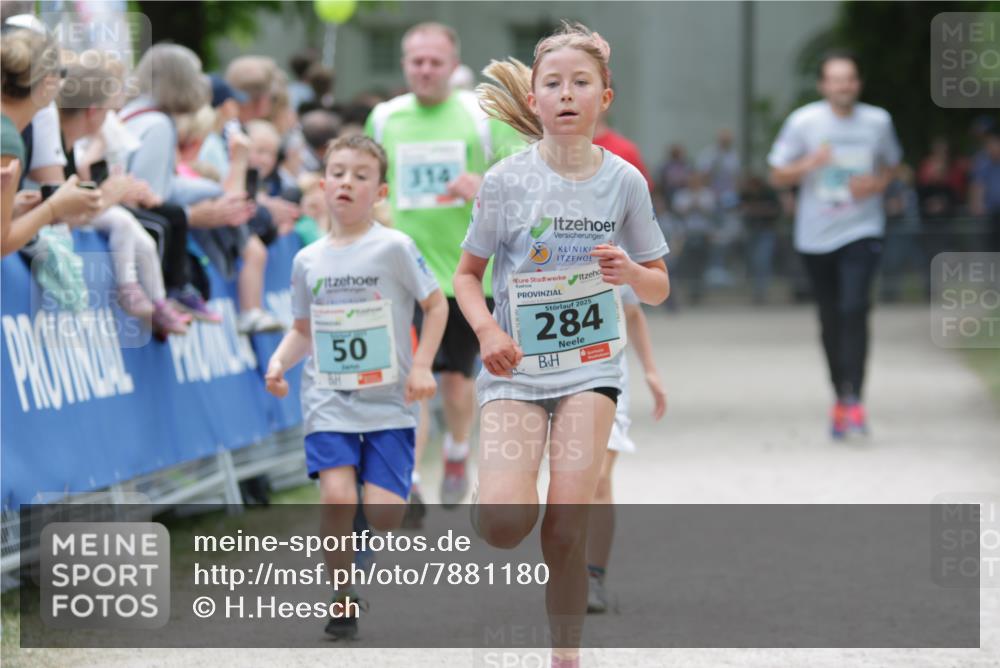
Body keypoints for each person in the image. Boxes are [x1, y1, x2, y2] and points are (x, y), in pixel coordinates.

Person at [456, 22, 669, 668]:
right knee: (504, 525)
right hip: (516, 369)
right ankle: (490, 495)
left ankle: (565, 655)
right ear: (535, 99)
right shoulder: (504, 181)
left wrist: (630, 274)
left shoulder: (625, 181)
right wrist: (488, 329)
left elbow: (659, 285)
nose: (567, 93)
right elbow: (466, 277)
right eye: (553, 83)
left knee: (567, 523)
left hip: (590, 368)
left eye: (581, 82)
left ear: (606, 97)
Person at [264, 134, 447, 640]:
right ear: (322, 185)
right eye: (338, 172)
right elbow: (302, 329)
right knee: (336, 498)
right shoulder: (308, 260)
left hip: (390, 399)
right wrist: (279, 362)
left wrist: (422, 366)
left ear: (380, 192)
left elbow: (436, 306)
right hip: (329, 397)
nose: (347, 182)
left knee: (385, 513)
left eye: (361, 176)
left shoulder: (394, 247)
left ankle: (363, 530)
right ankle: (342, 597)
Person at [365, 21, 524, 509]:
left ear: (453, 66)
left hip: (465, 277)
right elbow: (369, 179)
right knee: (409, 383)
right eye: (417, 61)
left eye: (436, 62)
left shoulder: (481, 115)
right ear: (404, 65)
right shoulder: (385, 118)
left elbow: (523, 175)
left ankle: (456, 452)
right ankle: (408, 479)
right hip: (402, 276)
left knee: (456, 385)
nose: (426, 70)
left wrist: (486, 184)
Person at [768, 50, 901, 439]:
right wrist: (809, 164)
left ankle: (855, 398)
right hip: (816, 236)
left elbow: (893, 165)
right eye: (836, 79)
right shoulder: (804, 122)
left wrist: (877, 184)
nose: (844, 86)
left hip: (862, 229)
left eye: (850, 78)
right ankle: (840, 396)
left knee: (855, 309)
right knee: (830, 318)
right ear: (823, 85)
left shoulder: (878, 121)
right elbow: (776, 175)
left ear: (858, 83)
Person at [585, 286, 666, 614]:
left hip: (606, 377)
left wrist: (651, 371)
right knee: (565, 479)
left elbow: (632, 311)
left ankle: (592, 576)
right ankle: (564, 565)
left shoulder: (612, 257)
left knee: (598, 479)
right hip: (541, 382)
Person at [1, 27, 102, 257]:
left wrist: (12, 207)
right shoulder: (8, 140)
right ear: (48, 83)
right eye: (62, 73)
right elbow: (1, 242)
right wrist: (54, 207)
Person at [970, 130, 1000, 252]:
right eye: (989, 145)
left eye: (995, 144)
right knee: (990, 244)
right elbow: (978, 184)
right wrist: (977, 204)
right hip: (991, 211)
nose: (991, 148)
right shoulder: (983, 162)